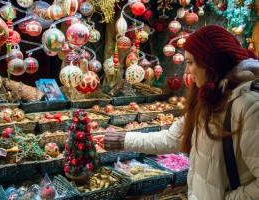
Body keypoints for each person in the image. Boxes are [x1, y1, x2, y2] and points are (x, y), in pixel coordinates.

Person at [104, 25, 259, 200]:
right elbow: (171, 138)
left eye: (190, 63)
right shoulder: (208, 101)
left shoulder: (250, 108)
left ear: (211, 63)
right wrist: (121, 139)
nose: (186, 71)